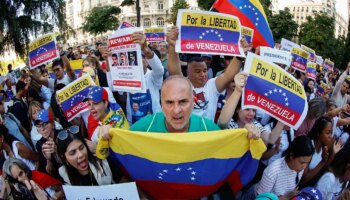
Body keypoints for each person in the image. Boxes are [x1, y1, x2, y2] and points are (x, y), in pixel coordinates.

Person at [166, 26, 246, 121]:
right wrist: (172, 46)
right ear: (188, 72)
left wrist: (240, 55)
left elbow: (229, 74)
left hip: (208, 134)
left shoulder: (212, 85)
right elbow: (174, 72)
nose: (203, 74)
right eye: (197, 71)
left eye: (205, 70)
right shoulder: (183, 84)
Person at [301, 117, 343, 186]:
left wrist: (333, 153)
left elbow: (323, 168)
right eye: (327, 133)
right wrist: (322, 162)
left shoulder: (323, 148)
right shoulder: (309, 146)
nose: (330, 136)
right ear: (318, 133)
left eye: (331, 133)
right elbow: (304, 179)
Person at [35, 110, 62, 179]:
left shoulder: (63, 135)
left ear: (53, 124)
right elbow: (50, 173)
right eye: (39, 126)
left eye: (45, 124)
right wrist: (48, 160)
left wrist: (57, 151)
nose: (42, 129)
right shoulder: (40, 144)